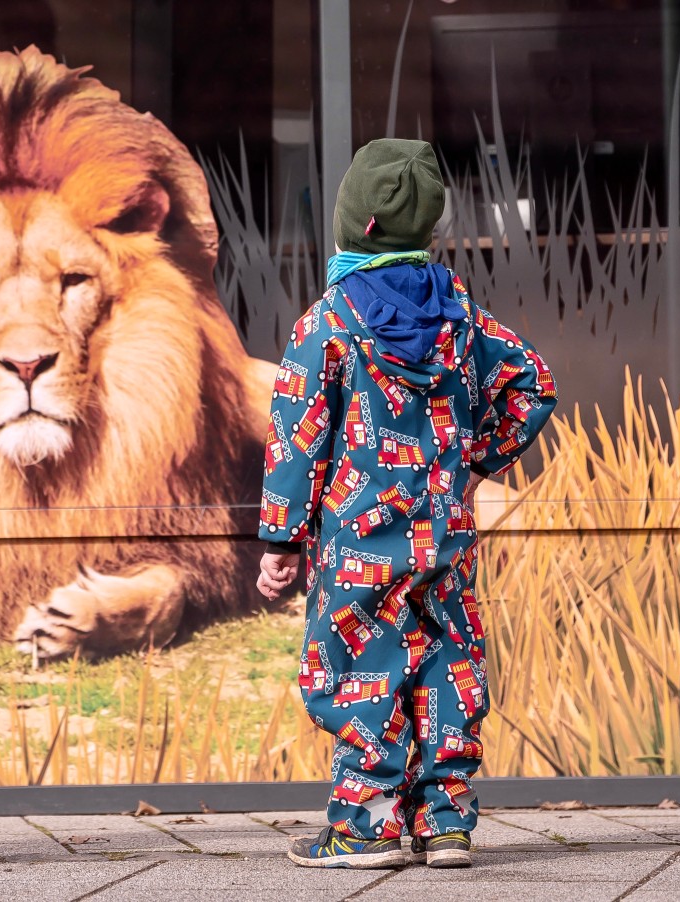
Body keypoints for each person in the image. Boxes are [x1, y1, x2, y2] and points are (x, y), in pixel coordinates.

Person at [257, 139, 557, 869]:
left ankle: (365, 830)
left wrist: (279, 541)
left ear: (355, 227)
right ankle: (446, 823)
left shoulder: (326, 324)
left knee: (361, 667)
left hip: (361, 549)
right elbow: (533, 383)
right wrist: (475, 465)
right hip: (444, 543)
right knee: (448, 663)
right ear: (427, 231)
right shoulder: (462, 318)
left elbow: (298, 439)